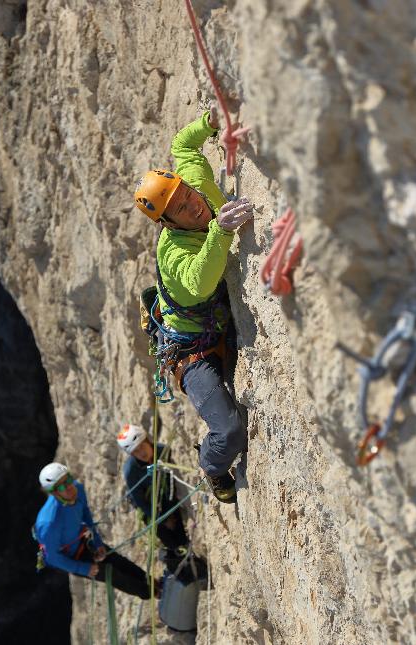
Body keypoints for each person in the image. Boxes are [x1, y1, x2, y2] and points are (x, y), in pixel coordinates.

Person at [134, 105, 253, 503]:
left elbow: (182, 144)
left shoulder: (194, 181)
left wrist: (210, 123)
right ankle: (212, 466)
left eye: (188, 194)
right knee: (229, 432)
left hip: (215, 324)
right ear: (168, 224)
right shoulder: (172, 254)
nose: (195, 204)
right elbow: (199, 283)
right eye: (183, 208)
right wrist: (219, 232)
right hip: (191, 353)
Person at [35, 462, 157, 599]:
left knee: (117, 560)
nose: (69, 486)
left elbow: (86, 514)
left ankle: (154, 583)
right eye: (62, 486)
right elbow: (53, 558)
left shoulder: (77, 489)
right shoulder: (48, 522)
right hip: (72, 557)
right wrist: (83, 569)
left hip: (83, 541)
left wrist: (98, 542)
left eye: (68, 480)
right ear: (53, 492)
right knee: (112, 575)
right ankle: (151, 593)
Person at [117, 424, 206, 582]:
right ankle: (181, 565)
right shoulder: (131, 471)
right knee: (167, 537)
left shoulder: (163, 451)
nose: (141, 453)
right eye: (135, 452)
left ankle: (192, 566)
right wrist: (162, 519)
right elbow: (139, 501)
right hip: (148, 507)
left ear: (148, 440)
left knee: (179, 534)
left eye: (141, 447)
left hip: (166, 497)